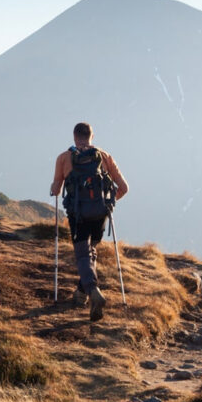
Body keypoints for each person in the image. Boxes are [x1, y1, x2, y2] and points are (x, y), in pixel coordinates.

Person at [49, 122, 128, 321]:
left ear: (75, 136)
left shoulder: (64, 158)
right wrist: (107, 203)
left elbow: (56, 190)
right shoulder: (104, 156)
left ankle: (93, 291)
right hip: (100, 213)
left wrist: (55, 187)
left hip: (79, 214)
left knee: (83, 253)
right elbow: (124, 187)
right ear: (92, 136)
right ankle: (81, 294)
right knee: (91, 251)